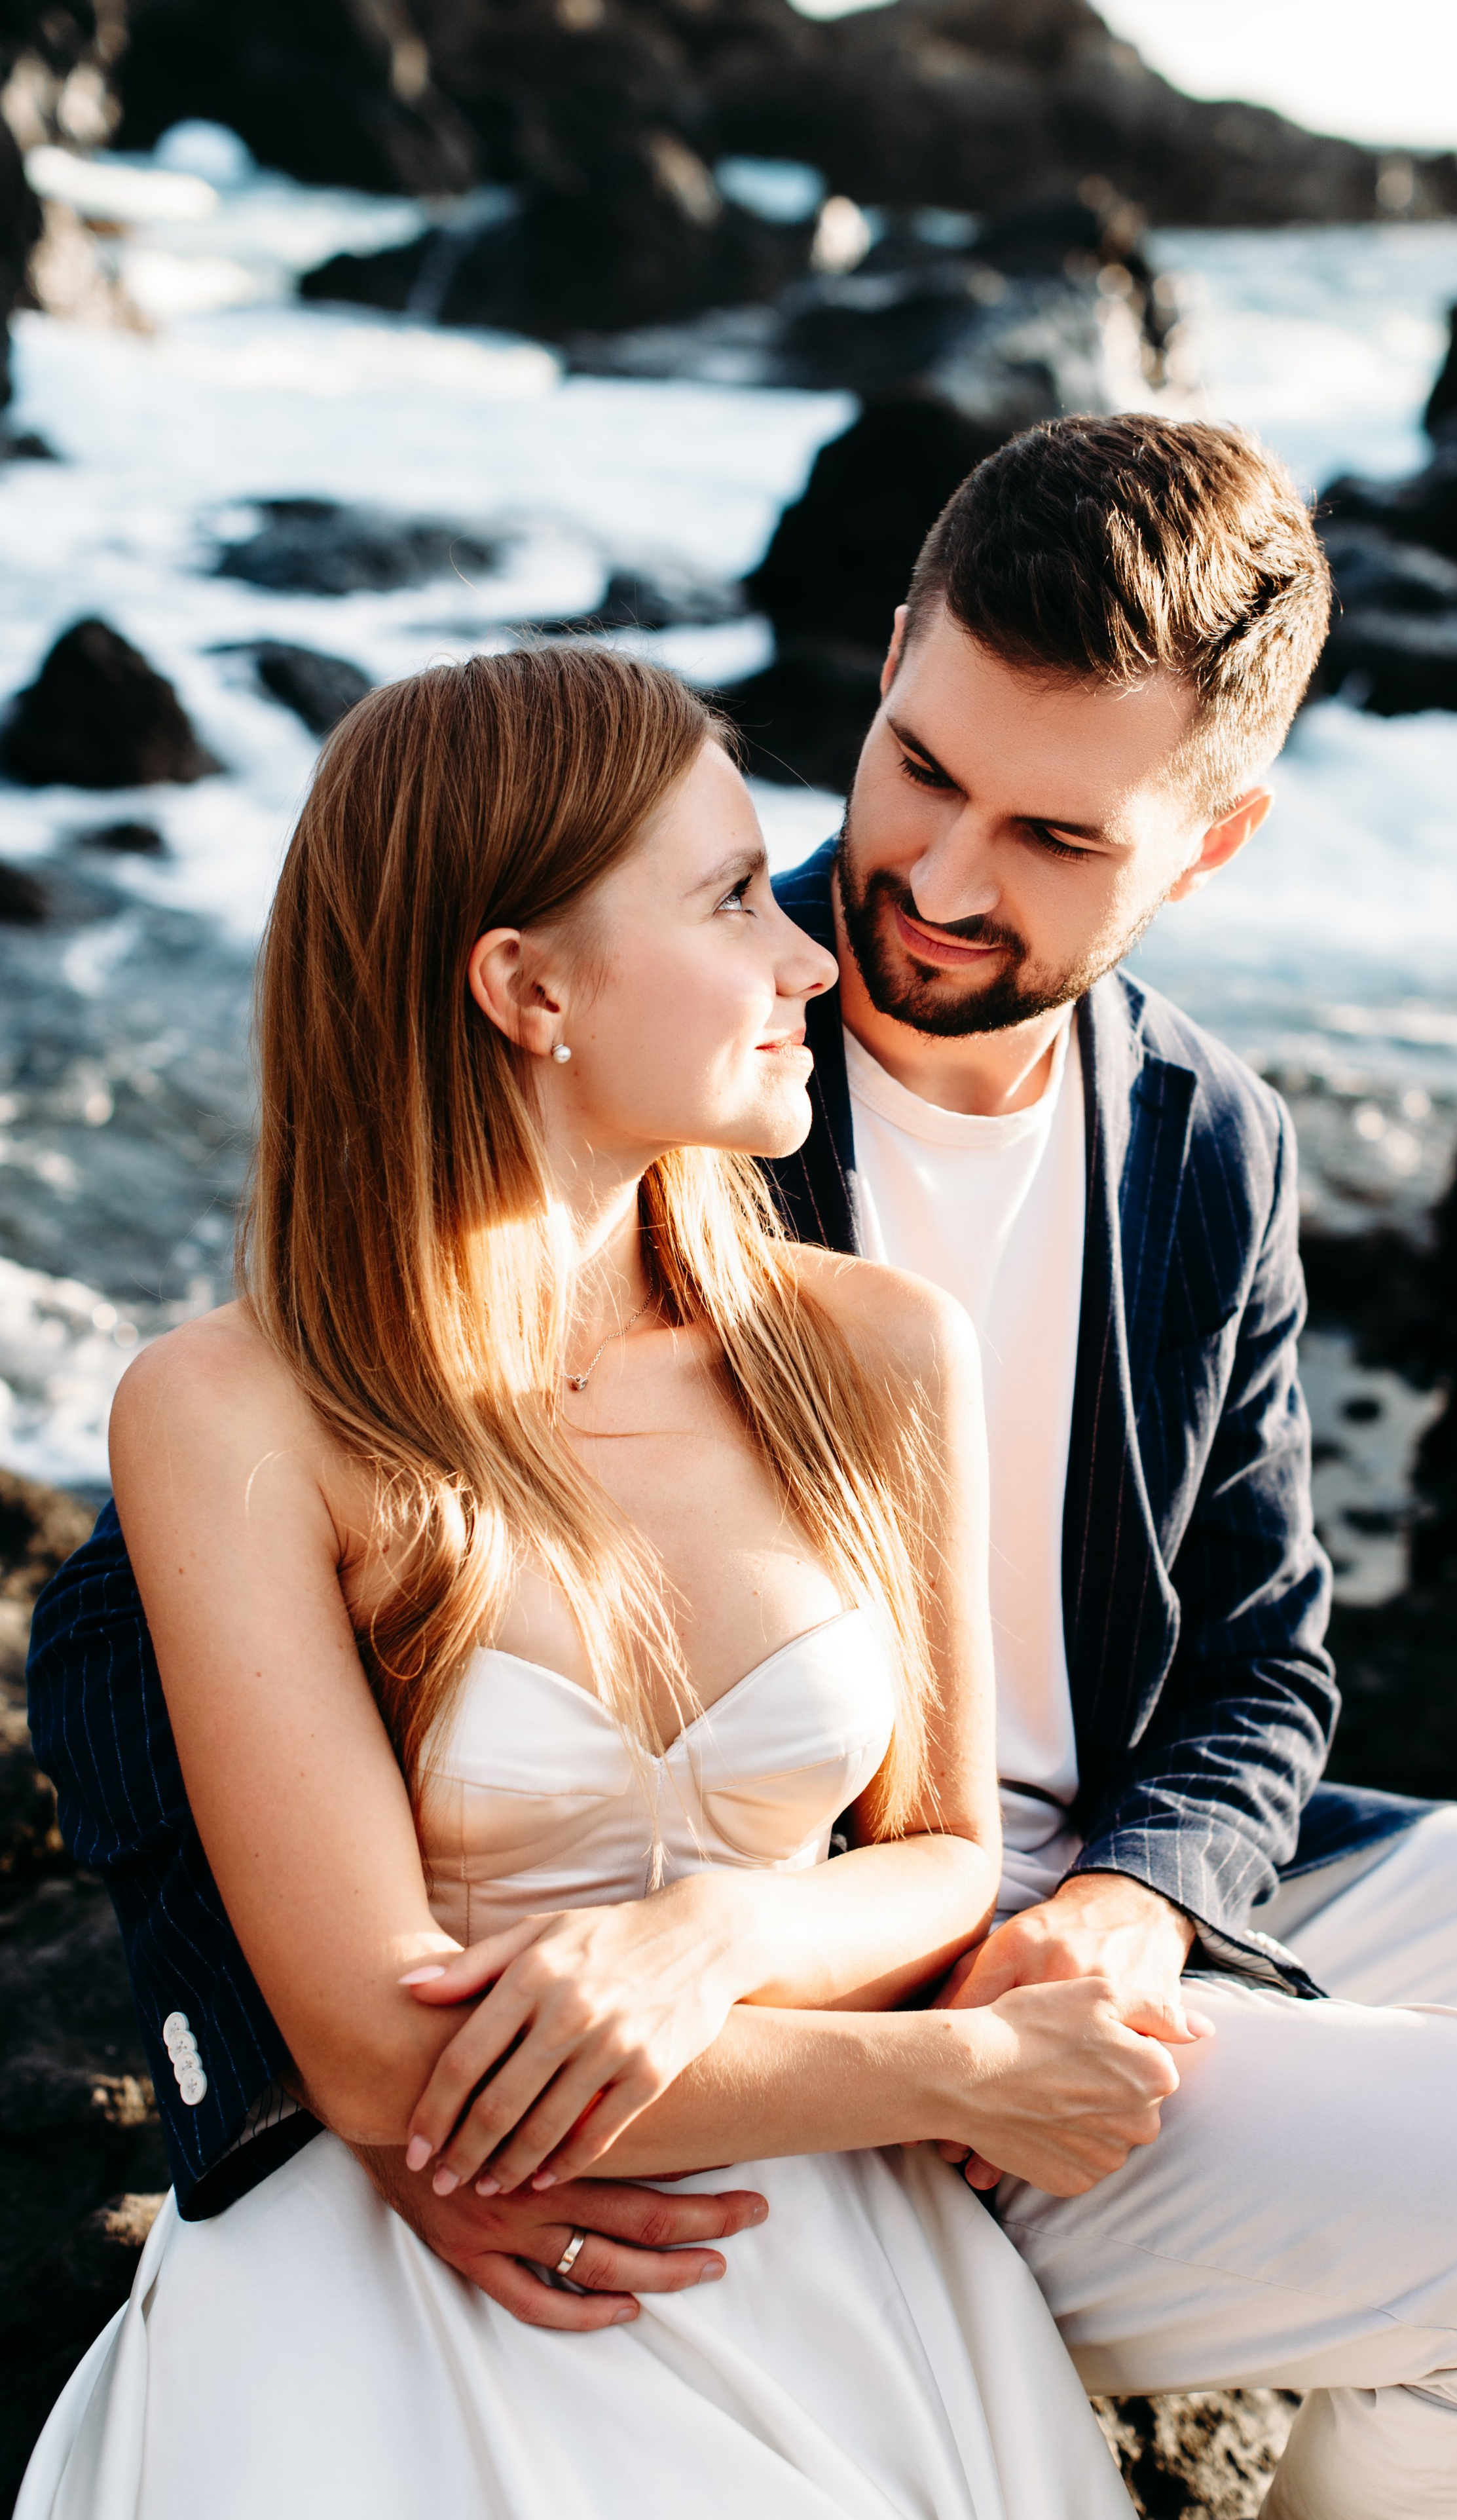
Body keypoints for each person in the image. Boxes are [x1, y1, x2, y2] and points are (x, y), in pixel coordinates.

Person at [28, 414, 1457, 2519]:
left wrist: (1134, 1903)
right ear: (891, 659)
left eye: (1060, 839)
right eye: (920, 769)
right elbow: (127, 1635)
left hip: (1087, 1889)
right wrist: (348, 2113)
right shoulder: (675, 1049)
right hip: (834, 1967)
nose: (939, 883)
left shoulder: (1203, 1143)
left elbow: (1261, 1661)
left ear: (1213, 841)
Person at [17, 644, 1147, 2519]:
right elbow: (383, 2067)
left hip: (841, 2276)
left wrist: (712, 1939)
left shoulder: (875, 1351)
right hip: (417, 2290)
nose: (809, 957)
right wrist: (961, 2071)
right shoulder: (229, 1413)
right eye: (727, 899)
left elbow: (945, 1849)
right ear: (524, 986)